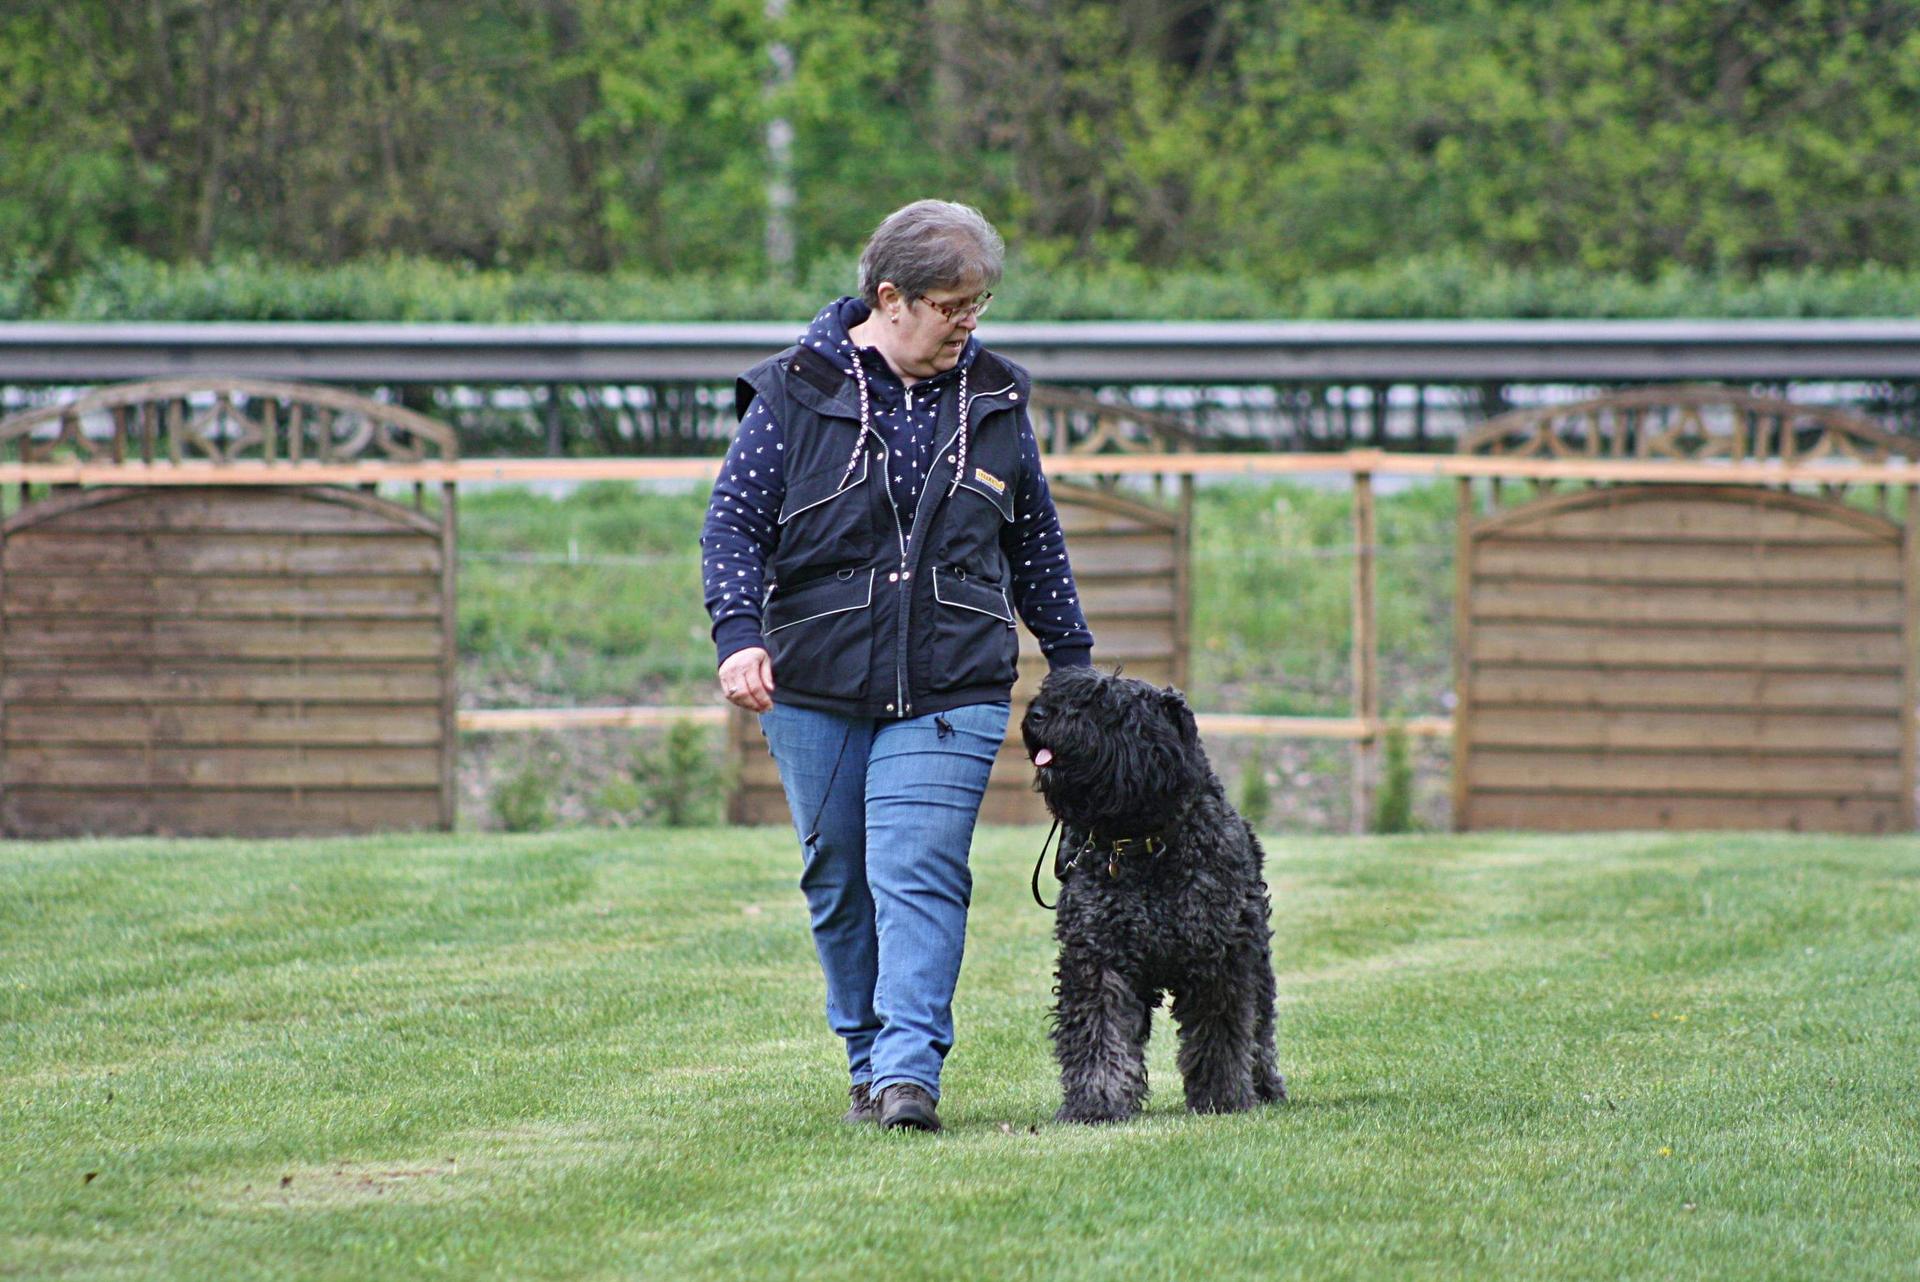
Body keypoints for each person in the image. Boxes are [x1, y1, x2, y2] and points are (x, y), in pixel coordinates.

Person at [699, 200, 1095, 1132]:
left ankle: (910, 1073)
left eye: (979, 305)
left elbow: (1035, 540)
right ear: (891, 299)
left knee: (917, 868)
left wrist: (1070, 661)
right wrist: (739, 636)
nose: (968, 324)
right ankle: (866, 1062)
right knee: (839, 878)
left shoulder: (995, 398)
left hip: (954, 681)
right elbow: (734, 529)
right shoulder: (794, 391)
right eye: (953, 306)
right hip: (815, 682)